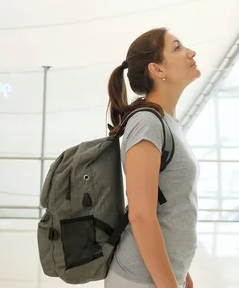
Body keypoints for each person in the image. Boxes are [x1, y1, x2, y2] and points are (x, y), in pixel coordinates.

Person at [103, 28, 201, 288]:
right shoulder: (147, 122)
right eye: (177, 47)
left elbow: (170, 205)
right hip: (140, 280)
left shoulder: (167, 122)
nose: (191, 52)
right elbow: (141, 215)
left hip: (162, 277)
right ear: (157, 70)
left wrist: (182, 274)